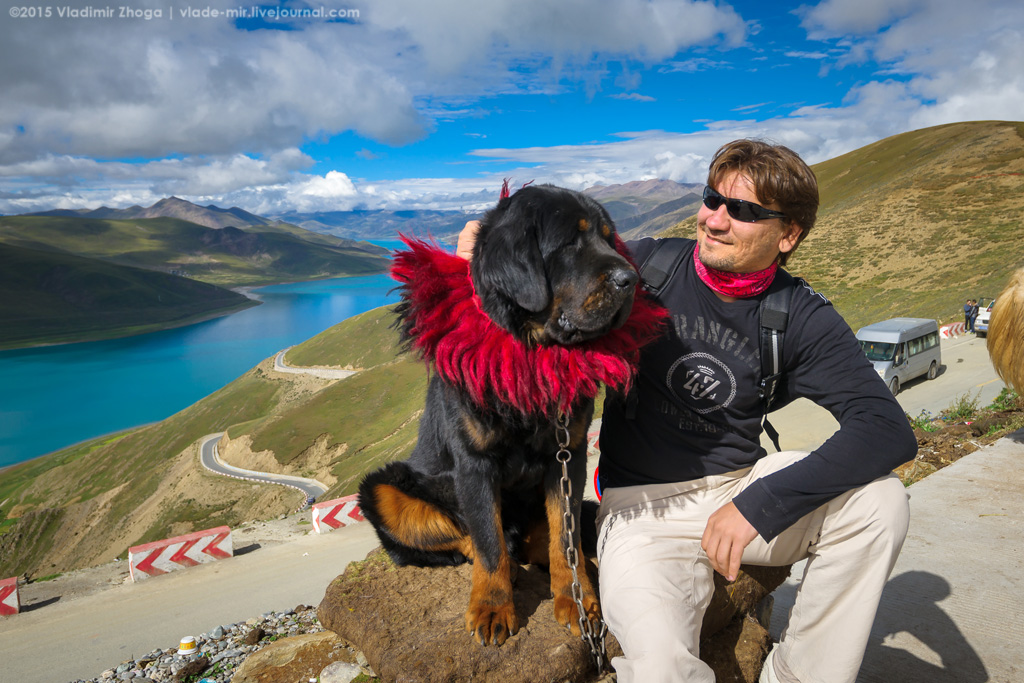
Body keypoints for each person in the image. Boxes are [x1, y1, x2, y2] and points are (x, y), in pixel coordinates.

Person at [457, 139, 915, 683]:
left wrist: (758, 504)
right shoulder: (648, 267)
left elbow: (887, 430)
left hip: (740, 487)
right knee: (658, 667)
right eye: (711, 199)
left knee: (881, 502)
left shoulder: (801, 315)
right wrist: (478, 253)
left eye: (743, 211)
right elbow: (549, 270)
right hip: (638, 510)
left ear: (788, 235)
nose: (715, 220)